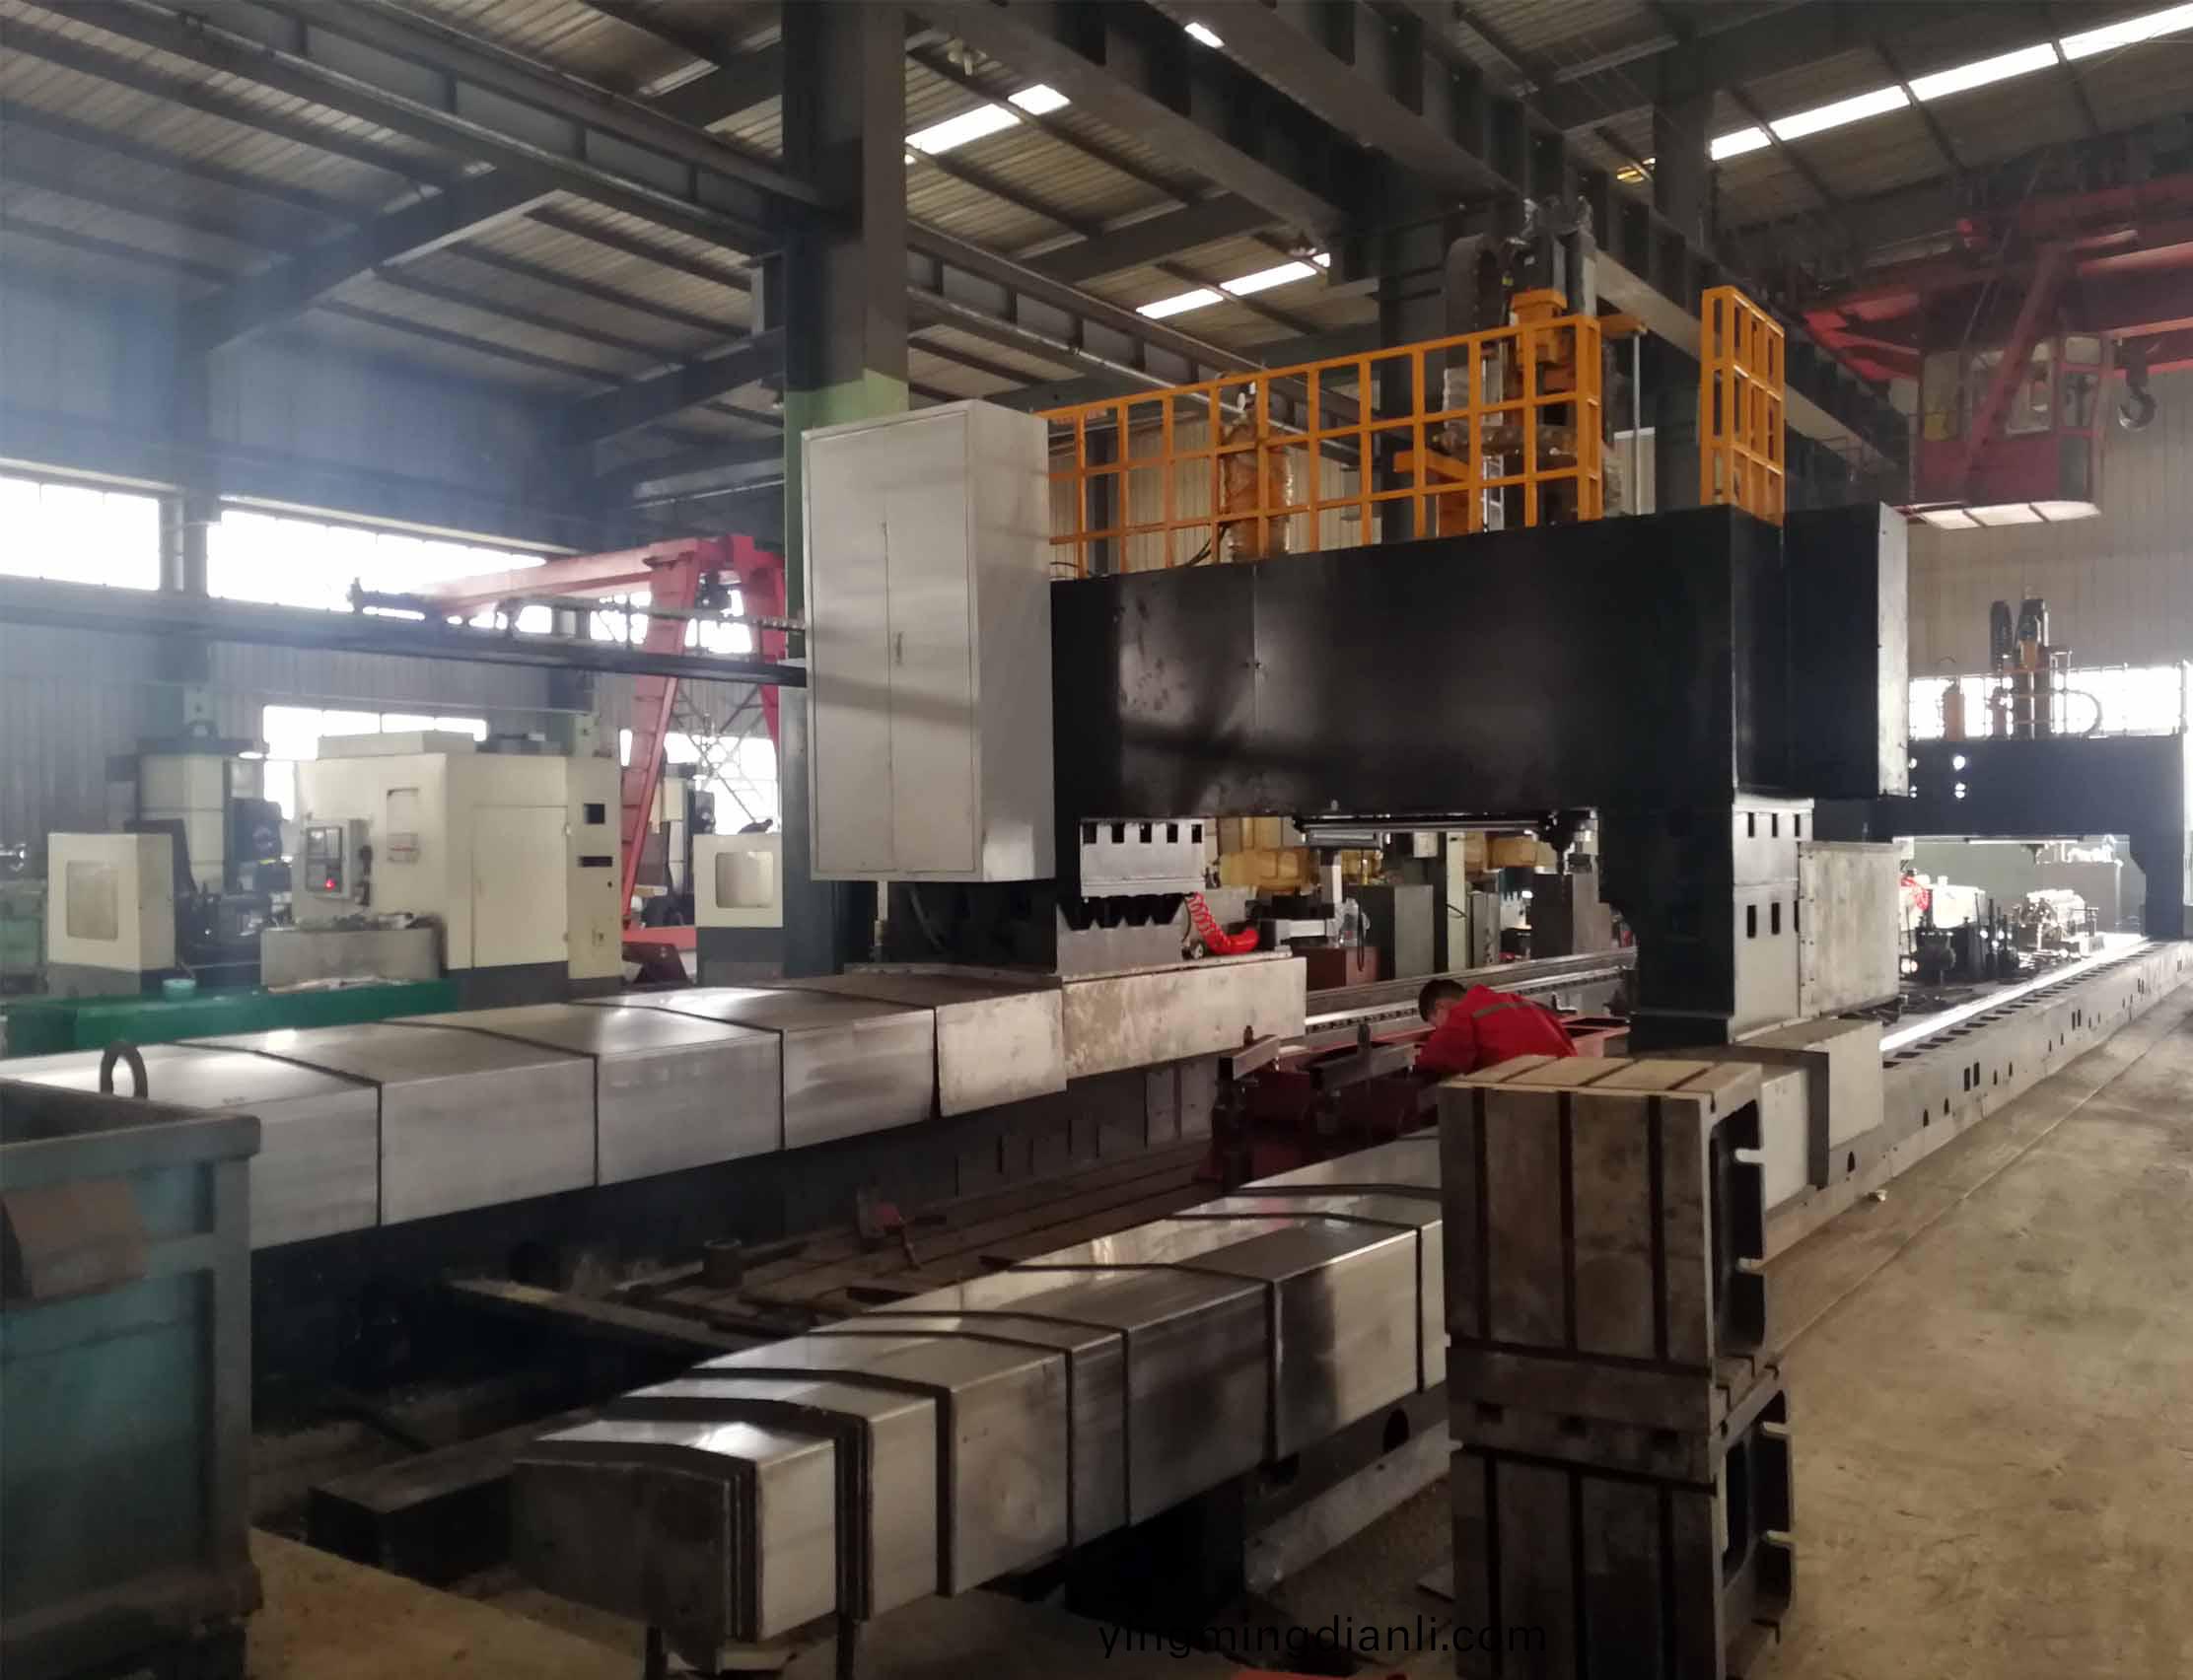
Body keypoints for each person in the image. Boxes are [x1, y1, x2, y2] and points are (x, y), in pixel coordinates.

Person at [1414, 976, 1577, 1078]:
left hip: (1532, 1096)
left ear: (1440, 1006)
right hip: (1573, 1081)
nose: (1439, 1030)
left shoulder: (1463, 1013)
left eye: (1436, 1024)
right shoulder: (1521, 1003)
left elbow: (1432, 1062)